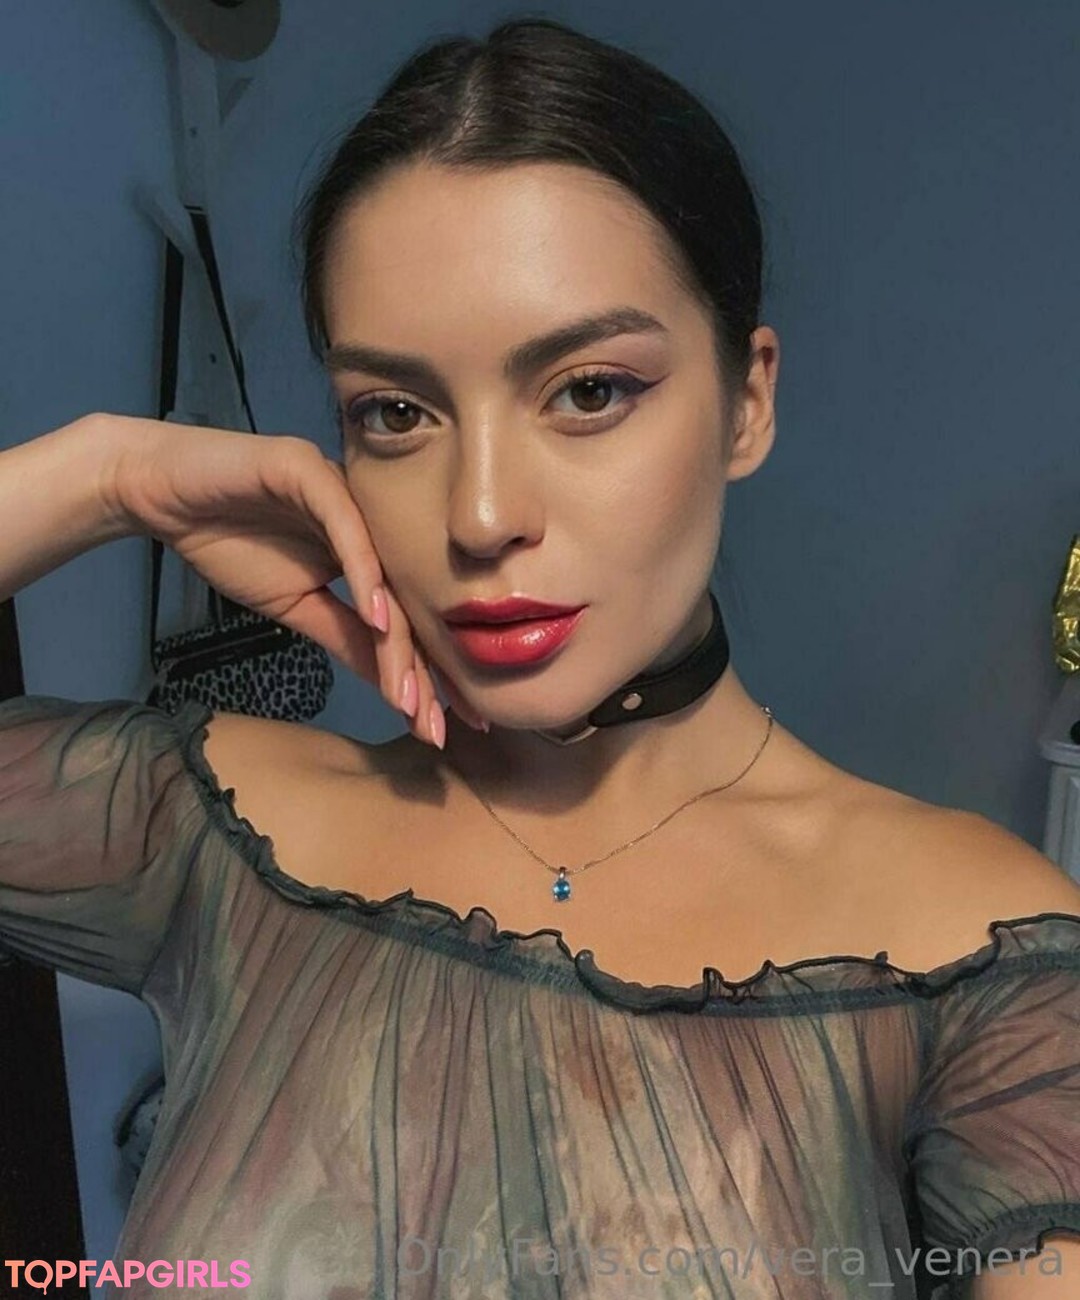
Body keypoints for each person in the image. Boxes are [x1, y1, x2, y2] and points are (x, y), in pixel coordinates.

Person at [2, 16, 1079, 1299]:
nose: (480, 513)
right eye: (394, 414)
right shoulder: (207, 827)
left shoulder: (974, 951)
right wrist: (104, 475)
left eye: (588, 390)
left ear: (747, 401)